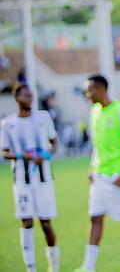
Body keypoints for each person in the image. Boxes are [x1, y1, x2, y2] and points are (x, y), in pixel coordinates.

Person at [75, 74, 120, 272]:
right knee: (95, 218)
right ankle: (88, 266)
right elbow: (97, 145)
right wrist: (92, 167)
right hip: (100, 177)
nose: (87, 94)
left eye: (89, 90)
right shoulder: (94, 112)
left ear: (101, 88)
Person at [1, 84, 59, 272]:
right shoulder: (8, 124)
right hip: (21, 181)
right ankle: (30, 268)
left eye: (31, 95)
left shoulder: (43, 117)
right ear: (17, 98)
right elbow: (4, 152)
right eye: (26, 96)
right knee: (26, 222)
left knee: (46, 224)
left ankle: (54, 266)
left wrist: (46, 154)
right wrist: (20, 155)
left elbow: (54, 142)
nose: (30, 99)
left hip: (44, 180)